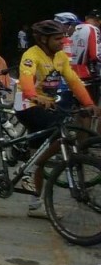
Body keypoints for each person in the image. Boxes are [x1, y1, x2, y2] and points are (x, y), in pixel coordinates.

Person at [15, 19, 98, 218]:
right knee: (58, 133)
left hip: (48, 104)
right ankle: (31, 164)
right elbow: (26, 80)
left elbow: (73, 81)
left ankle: (35, 202)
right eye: (58, 38)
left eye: (63, 37)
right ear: (44, 39)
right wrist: (36, 96)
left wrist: (89, 104)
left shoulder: (60, 56)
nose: (63, 41)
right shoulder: (31, 55)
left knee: (41, 151)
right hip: (27, 104)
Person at [69, 10, 100, 79]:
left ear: (86, 18)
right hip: (84, 72)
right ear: (98, 20)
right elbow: (95, 55)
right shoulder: (93, 29)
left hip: (68, 71)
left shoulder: (72, 28)